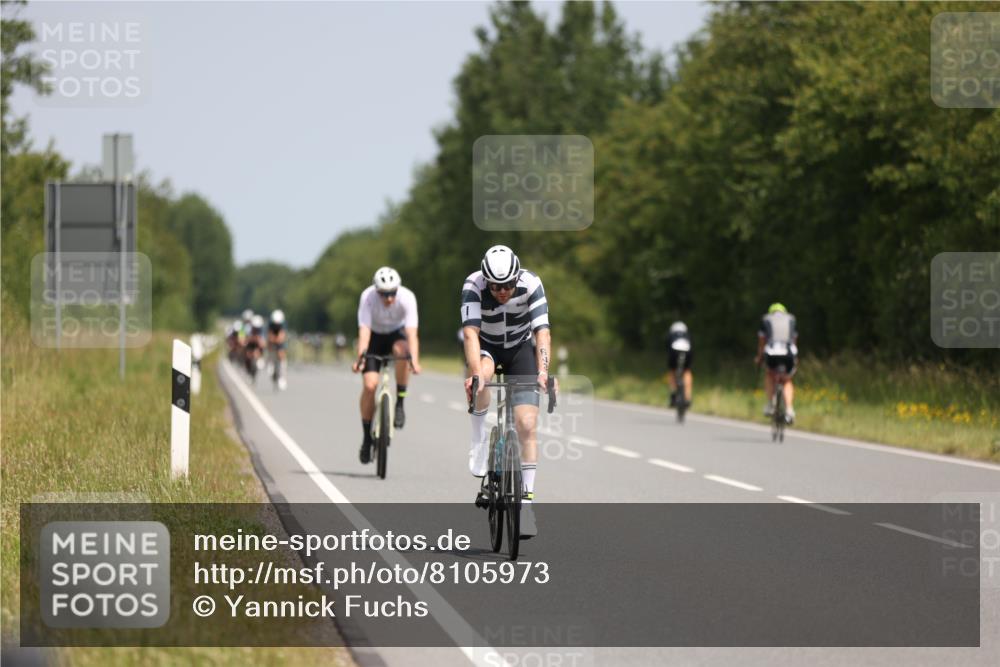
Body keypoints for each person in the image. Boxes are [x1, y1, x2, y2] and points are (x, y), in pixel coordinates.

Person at [463, 245, 552, 539]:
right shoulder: (474, 286)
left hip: (519, 348)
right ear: (486, 280)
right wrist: (476, 374)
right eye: (496, 286)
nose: (503, 291)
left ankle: (526, 506)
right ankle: (478, 443)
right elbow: (471, 334)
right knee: (481, 380)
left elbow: (542, 332)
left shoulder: (532, 283)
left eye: (509, 285)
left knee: (527, 423)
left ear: (517, 277)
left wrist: (543, 371)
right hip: (487, 347)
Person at [352, 267, 422, 464]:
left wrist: (414, 360)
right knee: (369, 386)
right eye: (384, 294)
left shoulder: (407, 297)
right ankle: (367, 438)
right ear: (377, 291)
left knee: (403, 352)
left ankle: (400, 401)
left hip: (396, 335)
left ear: (397, 290)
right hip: (373, 337)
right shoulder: (367, 297)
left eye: (392, 293)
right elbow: (364, 330)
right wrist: (361, 357)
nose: (389, 298)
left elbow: (411, 334)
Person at [755, 303, 798, 424]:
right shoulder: (791, 319)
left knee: (769, 374)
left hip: (772, 352)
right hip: (789, 352)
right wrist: (795, 358)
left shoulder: (766, 319)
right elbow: (794, 340)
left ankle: (770, 404)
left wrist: (759, 358)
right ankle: (789, 409)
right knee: (787, 380)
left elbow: (762, 342)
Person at [667, 321, 693, 407]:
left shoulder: (671, 335)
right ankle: (687, 398)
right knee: (687, 371)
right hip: (687, 353)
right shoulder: (687, 335)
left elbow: (667, 349)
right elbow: (692, 349)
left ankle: (673, 393)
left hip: (674, 353)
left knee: (672, 371)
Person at [268, 309, 289, 390]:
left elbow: (282, 336)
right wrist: (272, 341)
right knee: (270, 348)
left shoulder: (283, 324)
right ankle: (270, 363)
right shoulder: (270, 324)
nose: (276, 325)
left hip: (280, 341)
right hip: (272, 340)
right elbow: (269, 335)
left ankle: (282, 377)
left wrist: (277, 340)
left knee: (281, 354)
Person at [244, 314, 266, 380]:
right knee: (247, 355)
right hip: (250, 345)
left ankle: (260, 360)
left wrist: (259, 341)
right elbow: (244, 339)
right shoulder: (247, 328)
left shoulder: (262, 330)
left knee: (259, 350)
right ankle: (248, 368)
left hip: (258, 346)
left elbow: (263, 343)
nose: (256, 329)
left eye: (257, 328)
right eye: (255, 327)